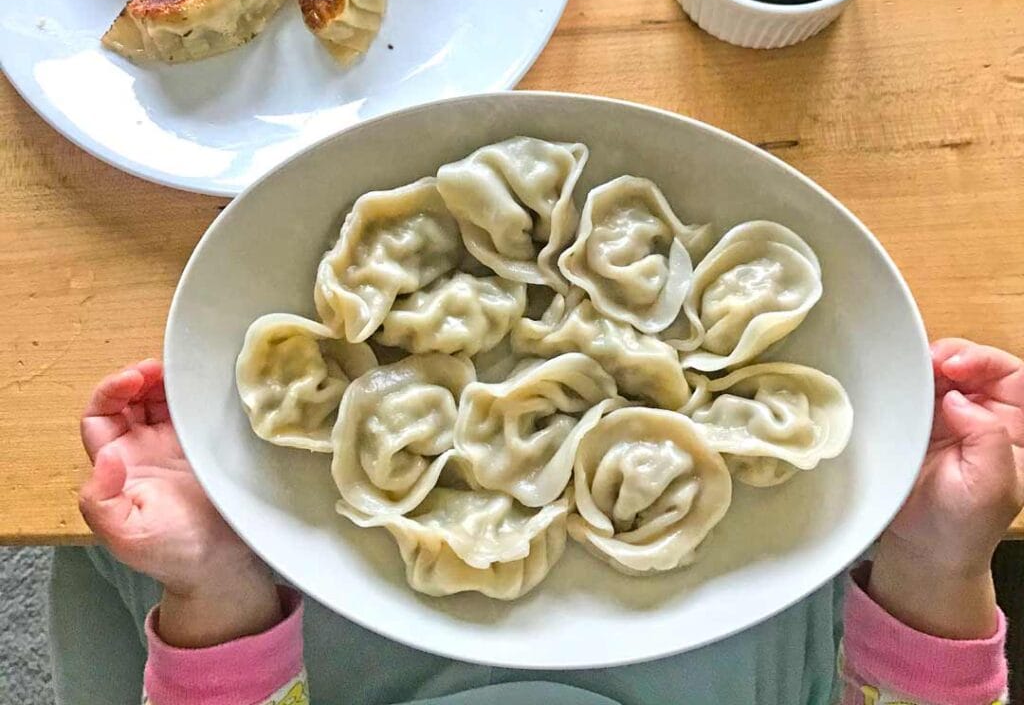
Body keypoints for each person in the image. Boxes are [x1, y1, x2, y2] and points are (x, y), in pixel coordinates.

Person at [51, 338, 1022, 705]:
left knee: (96, 576)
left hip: (297, 586)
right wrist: (935, 560)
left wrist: (215, 580)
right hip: (785, 565)